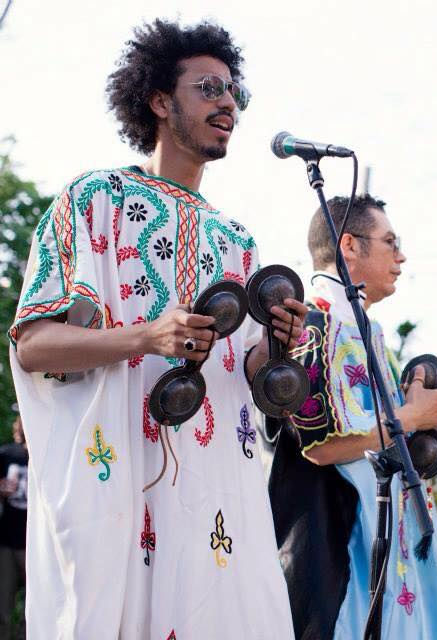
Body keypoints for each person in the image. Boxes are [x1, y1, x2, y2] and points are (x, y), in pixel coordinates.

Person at [8, 19, 302, 638]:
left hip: (216, 504)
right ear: (160, 101)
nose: (228, 104)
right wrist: (145, 336)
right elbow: (34, 344)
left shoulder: (238, 243)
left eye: (233, 93)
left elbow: (247, 372)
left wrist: (277, 345)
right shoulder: (95, 201)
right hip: (117, 492)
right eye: (208, 88)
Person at [270, 194, 437, 639]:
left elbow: (383, 441)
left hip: (385, 537)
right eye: (390, 242)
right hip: (339, 544)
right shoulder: (311, 323)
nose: (401, 255)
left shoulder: (363, 328)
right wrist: (411, 417)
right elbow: (321, 446)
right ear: (348, 245)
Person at [0, 414, 27, 640]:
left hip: (36, 544)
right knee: (3, 606)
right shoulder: (6, 454)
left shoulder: (48, 454)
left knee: (35, 607)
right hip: (7, 539)